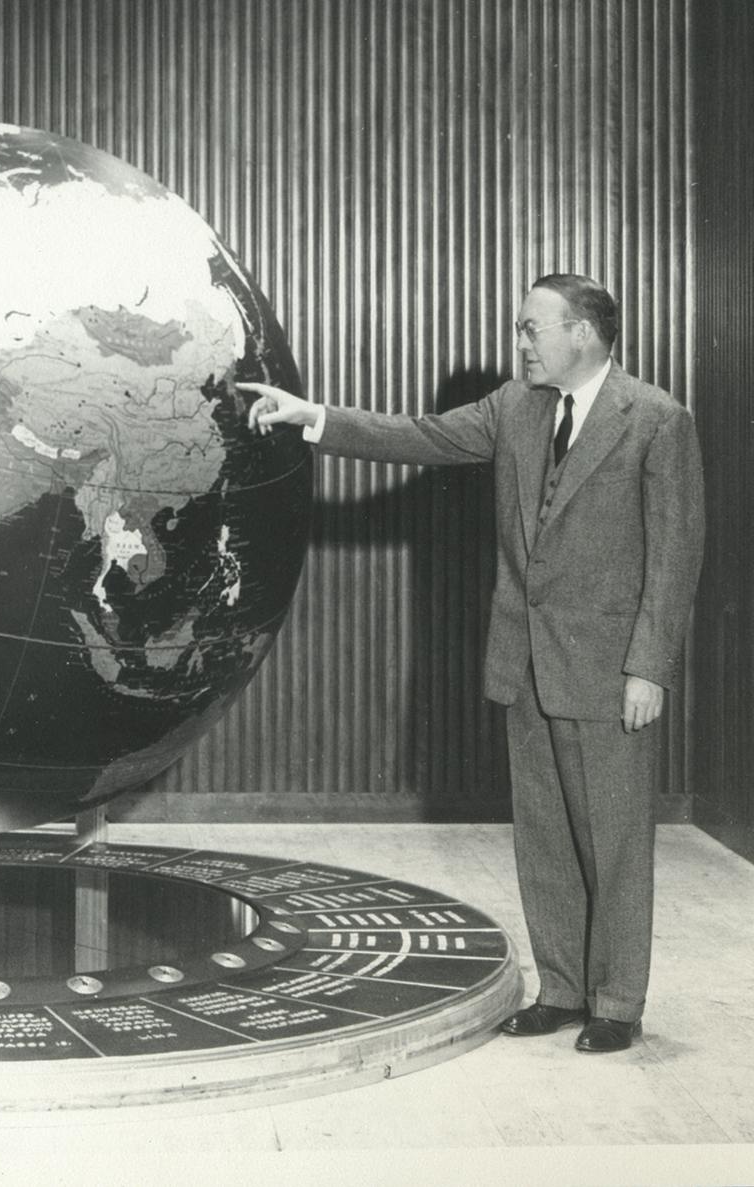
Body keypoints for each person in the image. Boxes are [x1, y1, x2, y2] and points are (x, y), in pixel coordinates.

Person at [239, 274, 705, 1054]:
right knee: (545, 835)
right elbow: (418, 434)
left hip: (609, 668)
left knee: (615, 840)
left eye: (532, 328)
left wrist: (648, 667)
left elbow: (675, 557)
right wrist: (311, 418)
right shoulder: (513, 409)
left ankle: (617, 1001)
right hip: (524, 663)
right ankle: (560, 989)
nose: (519, 342)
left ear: (583, 333)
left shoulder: (656, 420)